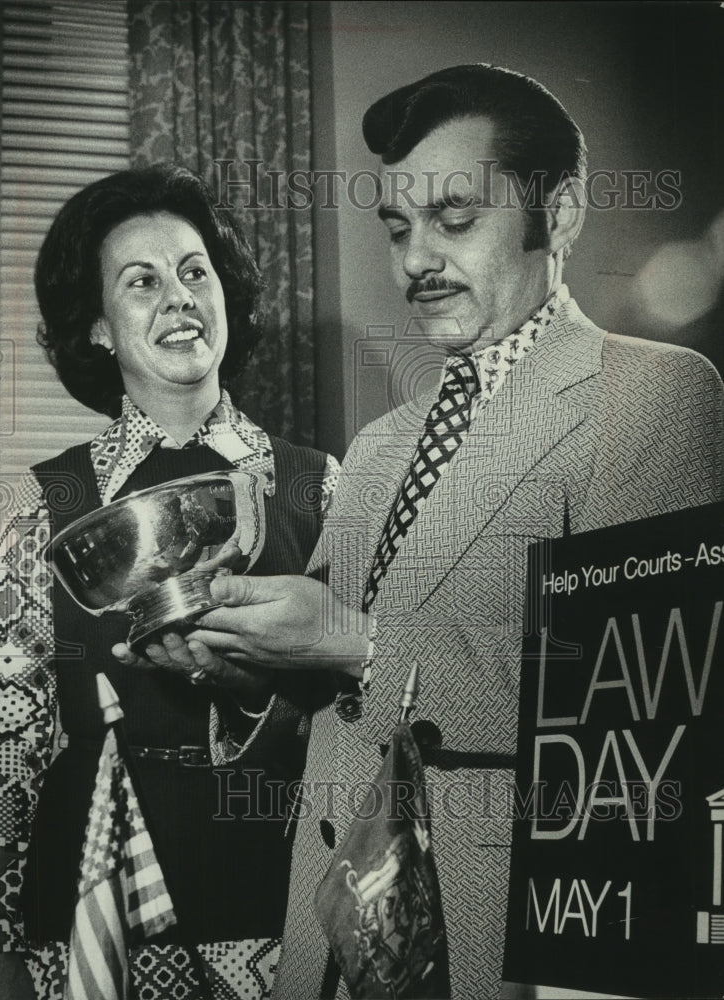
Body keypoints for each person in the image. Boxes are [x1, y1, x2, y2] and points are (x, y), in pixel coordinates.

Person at [176, 65, 724, 998]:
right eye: (397, 228)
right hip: (325, 946)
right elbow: (334, 699)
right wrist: (246, 669)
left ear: (558, 215)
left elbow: (631, 709)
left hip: (493, 947)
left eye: (454, 219)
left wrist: (352, 640)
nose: (414, 261)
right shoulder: (381, 443)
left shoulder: (653, 395)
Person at [0, 164, 339, 1000]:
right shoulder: (47, 503)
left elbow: (361, 707)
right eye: (141, 281)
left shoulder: (320, 487)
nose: (177, 298)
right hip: (85, 900)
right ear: (98, 327)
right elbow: (7, 741)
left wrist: (260, 694)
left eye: (193, 272)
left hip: (271, 892)